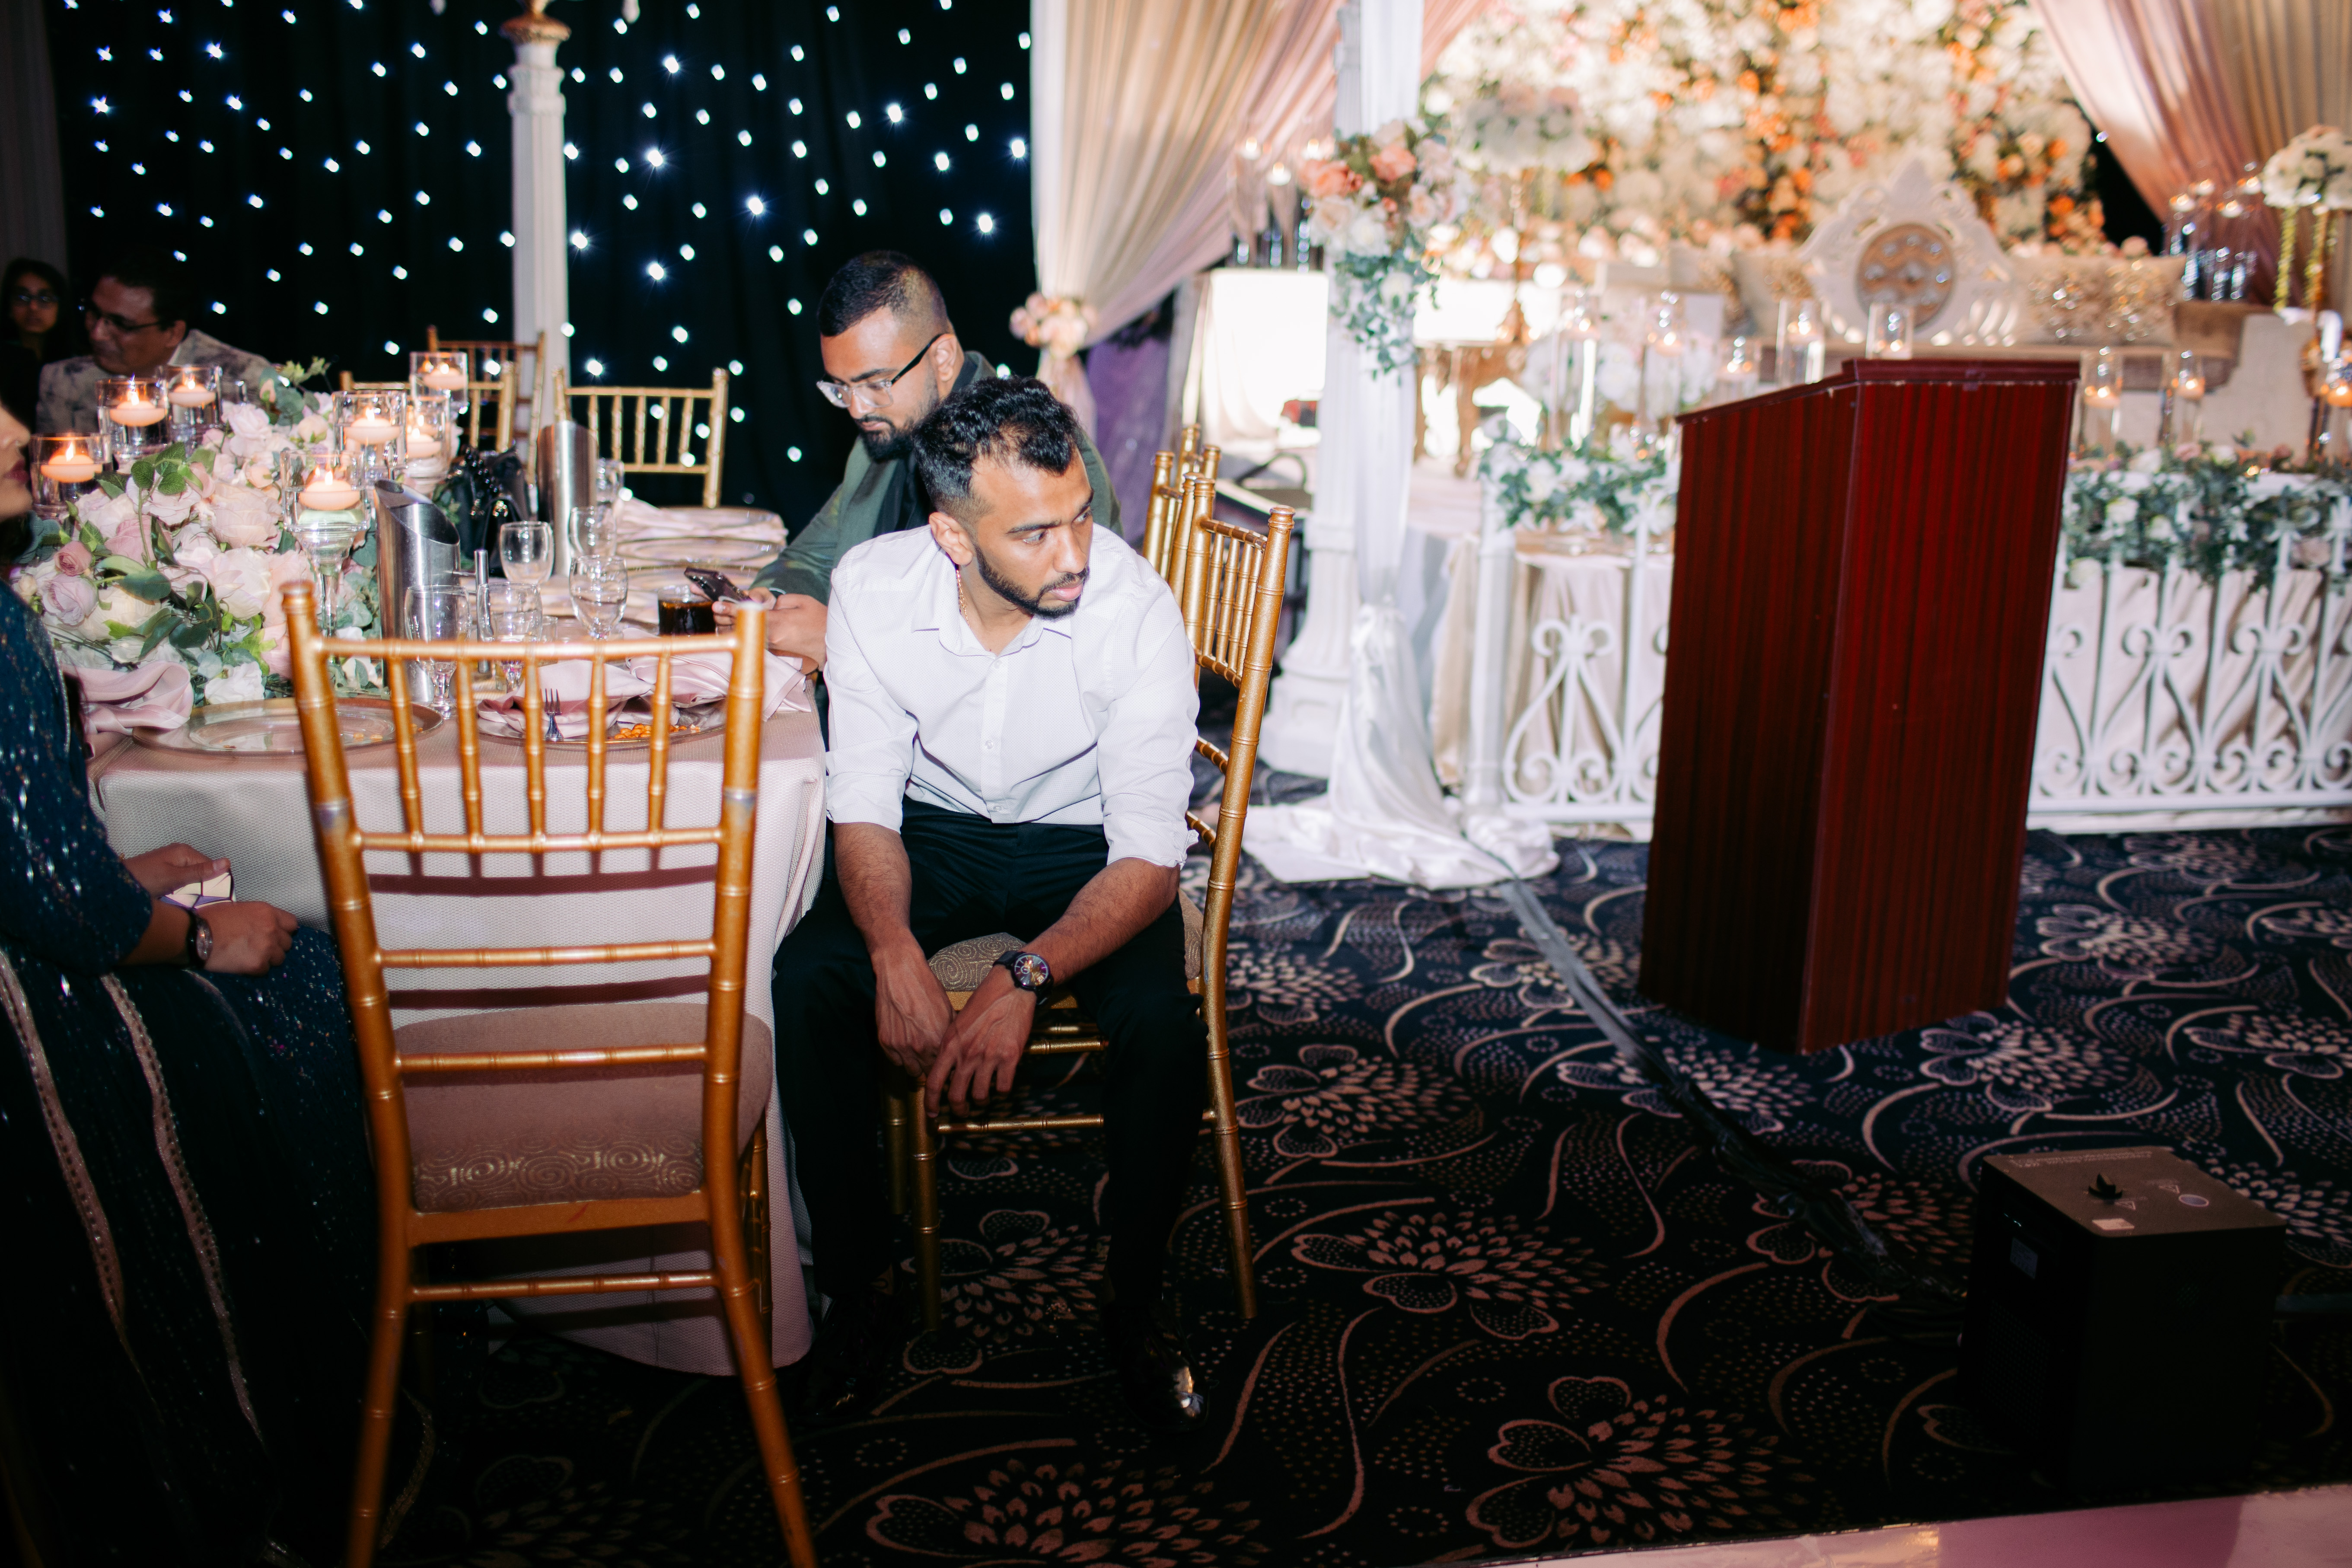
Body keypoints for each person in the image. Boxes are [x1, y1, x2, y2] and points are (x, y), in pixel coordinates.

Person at [770, 377, 1208, 1431]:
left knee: (1161, 1024)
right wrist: (890, 948)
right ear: (953, 537)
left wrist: (1025, 976)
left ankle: (1135, 1303)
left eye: (1080, 517)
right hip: (935, 831)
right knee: (810, 977)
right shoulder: (875, 590)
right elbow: (864, 799)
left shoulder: (1135, 610)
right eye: (1035, 533)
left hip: (1088, 844)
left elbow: (1150, 855)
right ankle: (860, 1287)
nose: (1075, 555)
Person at [0, 399, 380, 1562]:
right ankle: (275, 1426)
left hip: (36, 942)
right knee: (307, 988)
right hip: (29, 1029)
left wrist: (115, 872)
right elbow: (56, 907)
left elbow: (27, 866)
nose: (16, 427)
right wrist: (203, 939)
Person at [723, 251, 1119, 674]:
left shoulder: (1038, 449)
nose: (857, 409)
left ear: (943, 358)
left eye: (876, 383)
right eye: (841, 389)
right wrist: (768, 599)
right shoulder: (886, 435)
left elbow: (1057, 640)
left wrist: (841, 641)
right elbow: (812, 557)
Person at [35, 248, 274, 436]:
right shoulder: (64, 382)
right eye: (94, 313)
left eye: (120, 324)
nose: (97, 334)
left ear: (173, 333)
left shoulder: (244, 379)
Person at [1, 257, 78, 431]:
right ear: (8, 307)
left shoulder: (75, 366)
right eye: (22, 297)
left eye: (45, 298)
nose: (33, 307)